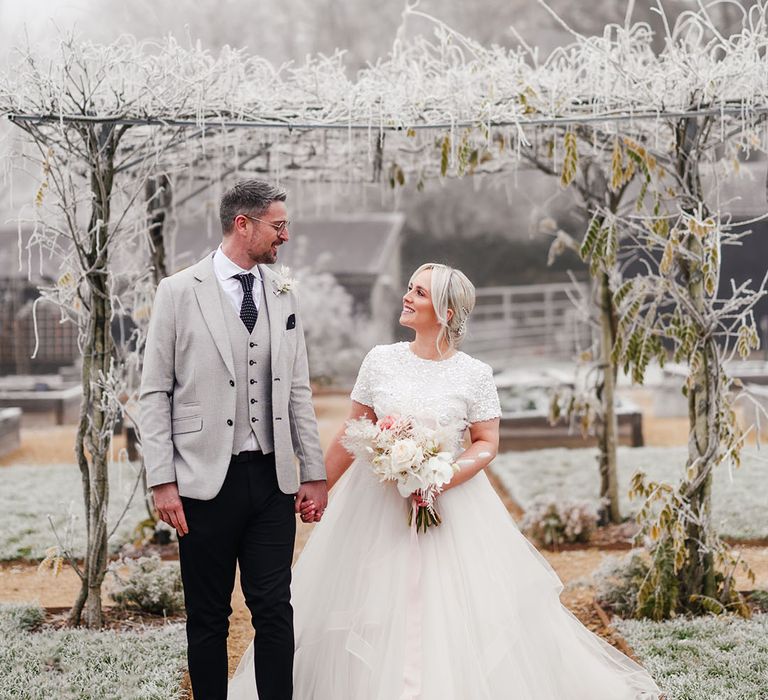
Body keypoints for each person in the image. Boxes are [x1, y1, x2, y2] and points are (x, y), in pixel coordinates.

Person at [229, 262, 661, 700]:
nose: (407, 296)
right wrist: (317, 484)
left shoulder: (474, 374)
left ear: (446, 312)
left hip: (451, 509)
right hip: (376, 509)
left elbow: (487, 442)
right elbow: (352, 431)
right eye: (411, 288)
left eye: (419, 292)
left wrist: (441, 475)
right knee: (371, 602)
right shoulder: (379, 361)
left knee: (449, 611)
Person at [140, 179, 328, 700]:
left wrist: (312, 471)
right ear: (243, 224)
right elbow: (154, 392)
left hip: (271, 481)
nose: (285, 237)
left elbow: (298, 387)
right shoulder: (178, 292)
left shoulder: (283, 291)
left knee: (273, 610)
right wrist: (162, 480)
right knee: (207, 617)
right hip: (202, 484)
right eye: (279, 225)